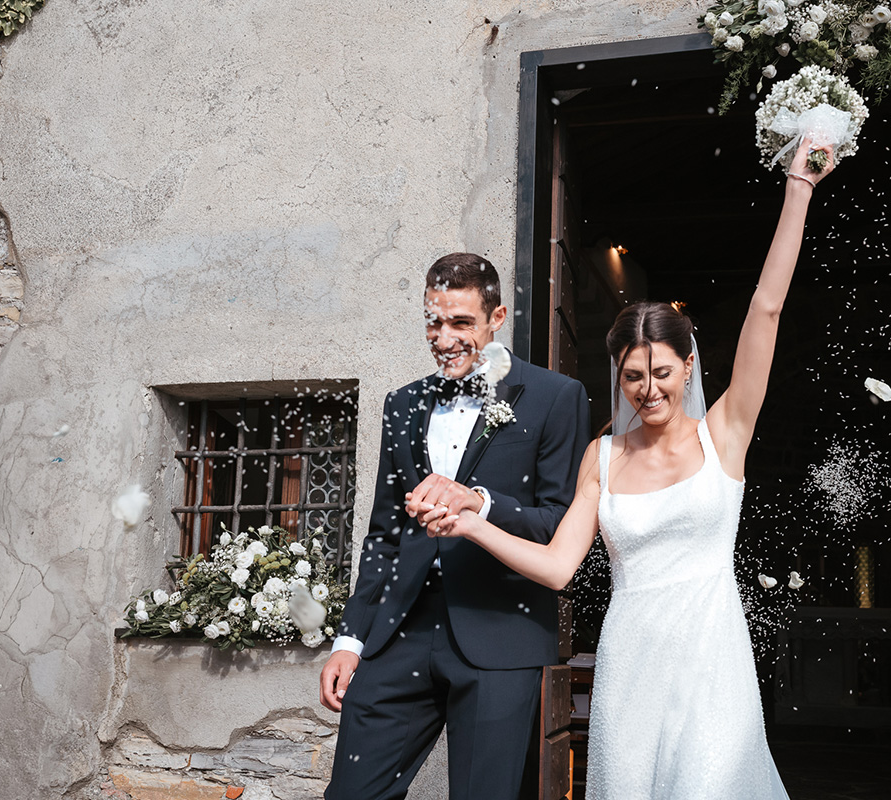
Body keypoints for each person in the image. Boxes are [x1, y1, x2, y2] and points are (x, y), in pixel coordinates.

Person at [424, 139, 835, 798]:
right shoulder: (604, 457)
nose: (649, 390)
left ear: (688, 367)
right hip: (631, 667)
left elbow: (766, 309)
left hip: (713, 665)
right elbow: (557, 566)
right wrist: (473, 524)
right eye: (634, 376)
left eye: (662, 373)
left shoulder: (725, 435)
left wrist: (799, 189)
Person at [320, 252, 591, 800]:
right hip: (399, 632)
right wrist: (350, 639)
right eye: (434, 323)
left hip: (501, 631)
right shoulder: (401, 404)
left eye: (461, 323)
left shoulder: (555, 397)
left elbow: (558, 525)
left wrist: (482, 504)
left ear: (497, 318)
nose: (444, 339)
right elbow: (384, 533)